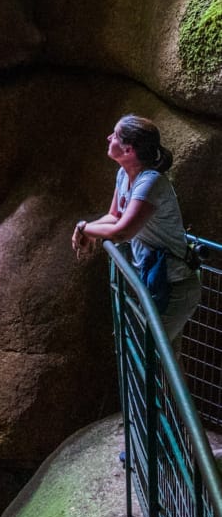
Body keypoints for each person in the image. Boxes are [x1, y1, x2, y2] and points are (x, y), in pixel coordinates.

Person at [71, 114, 201, 355]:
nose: (108, 138)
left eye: (115, 135)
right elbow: (114, 216)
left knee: (147, 355)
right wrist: (88, 227)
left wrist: (84, 229)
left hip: (176, 286)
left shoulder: (150, 183)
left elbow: (121, 232)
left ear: (128, 149)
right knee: (167, 360)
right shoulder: (124, 175)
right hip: (159, 281)